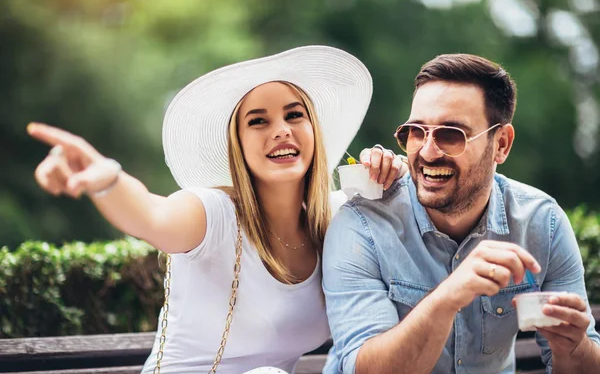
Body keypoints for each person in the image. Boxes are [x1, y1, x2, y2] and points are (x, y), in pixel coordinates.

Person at [27, 45, 406, 374]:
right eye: (258, 121)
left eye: (294, 115)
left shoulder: (337, 221)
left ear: (313, 131)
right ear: (237, 144)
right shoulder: (213, 214)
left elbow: (412, 221)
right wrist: (107, 180)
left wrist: (397, 172)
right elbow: (150, 215)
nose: (281, 130)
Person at [322, 53, 600, 374]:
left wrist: (576, 347)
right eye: (416, 132)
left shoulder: (542, 224)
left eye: (451, 134)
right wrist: (450, 295)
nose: (427, 152)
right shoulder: (362, 224)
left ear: (502, 145)